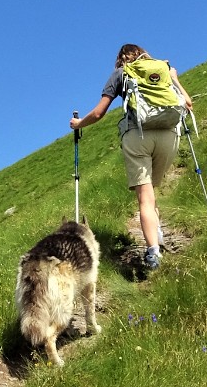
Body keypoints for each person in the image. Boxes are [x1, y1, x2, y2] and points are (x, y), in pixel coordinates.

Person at [70, 44, 193, 270]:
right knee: (152, 192)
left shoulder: (121, 74)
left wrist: (79, 124)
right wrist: (174, 79)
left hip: (138, 135)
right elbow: (188, 103)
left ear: (120, 59)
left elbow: (99, 113)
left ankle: (153, 253)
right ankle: (158, 237)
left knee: (145, 197)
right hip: (169, 135)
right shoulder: (163, 69)